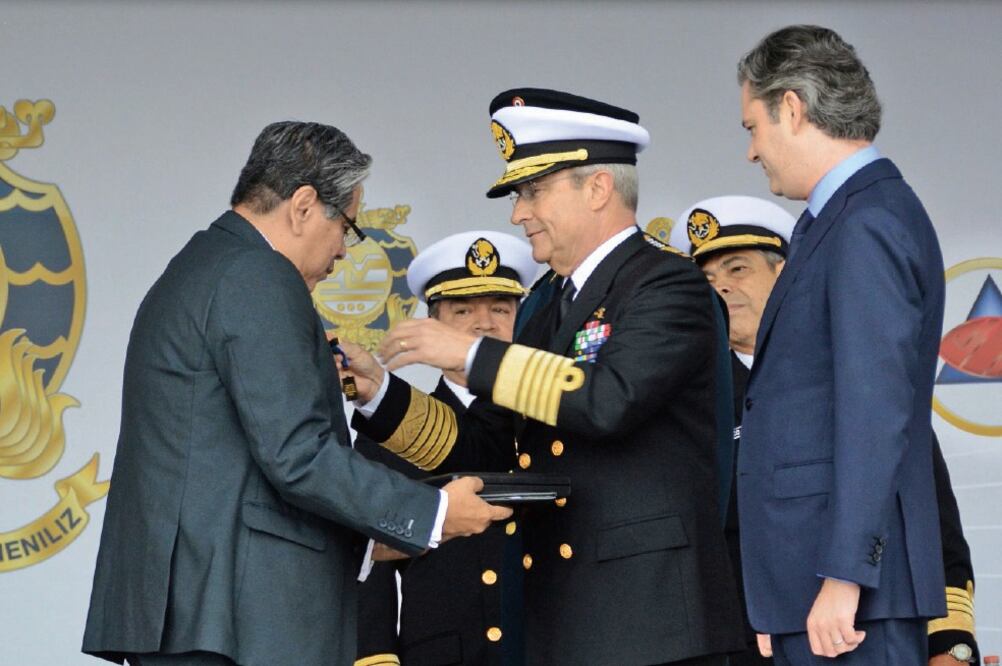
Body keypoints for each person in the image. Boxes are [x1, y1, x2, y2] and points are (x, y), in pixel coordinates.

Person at [81, 121, 511, 666]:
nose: (345, 253)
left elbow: (237, 460)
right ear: (304, 205)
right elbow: (297, 455)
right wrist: (432, 513)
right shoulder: (260, 278)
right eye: (347, 228)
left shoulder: (210, 265)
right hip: (231, 617)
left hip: (201, 610)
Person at [346, 88, 744, 665]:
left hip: (654, 625)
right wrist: (380, 395)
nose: (517, 213)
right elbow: (485, 443)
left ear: (598, 188)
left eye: (533, 191)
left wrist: (470, 352)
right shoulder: (542, 305)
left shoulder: (666, 284)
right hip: (560, 617)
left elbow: (608, 400)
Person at [671, 195, 981, 666]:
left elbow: (930, 521)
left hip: (860, 637)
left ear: (785, 275)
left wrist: (951, 645)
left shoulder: (853, 377)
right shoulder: (688, 400)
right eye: (707, 279)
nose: (722, 289)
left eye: (738, 270)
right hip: (740, 645)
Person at [735, 26, 948, 664]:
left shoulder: (866, 223)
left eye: (753, 126)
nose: (752, 151)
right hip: (817, 589)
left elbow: (873, 409)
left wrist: (843, 576)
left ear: (793, 109)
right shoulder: (840, 219)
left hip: (849, 599)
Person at [352, 230, 537, 666]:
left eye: (500, 308)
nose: (484, 323)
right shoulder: (392, 429)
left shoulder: (550, 425)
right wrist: (376, 658)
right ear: (431, 327)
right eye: (462, 310)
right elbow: (369, 568)